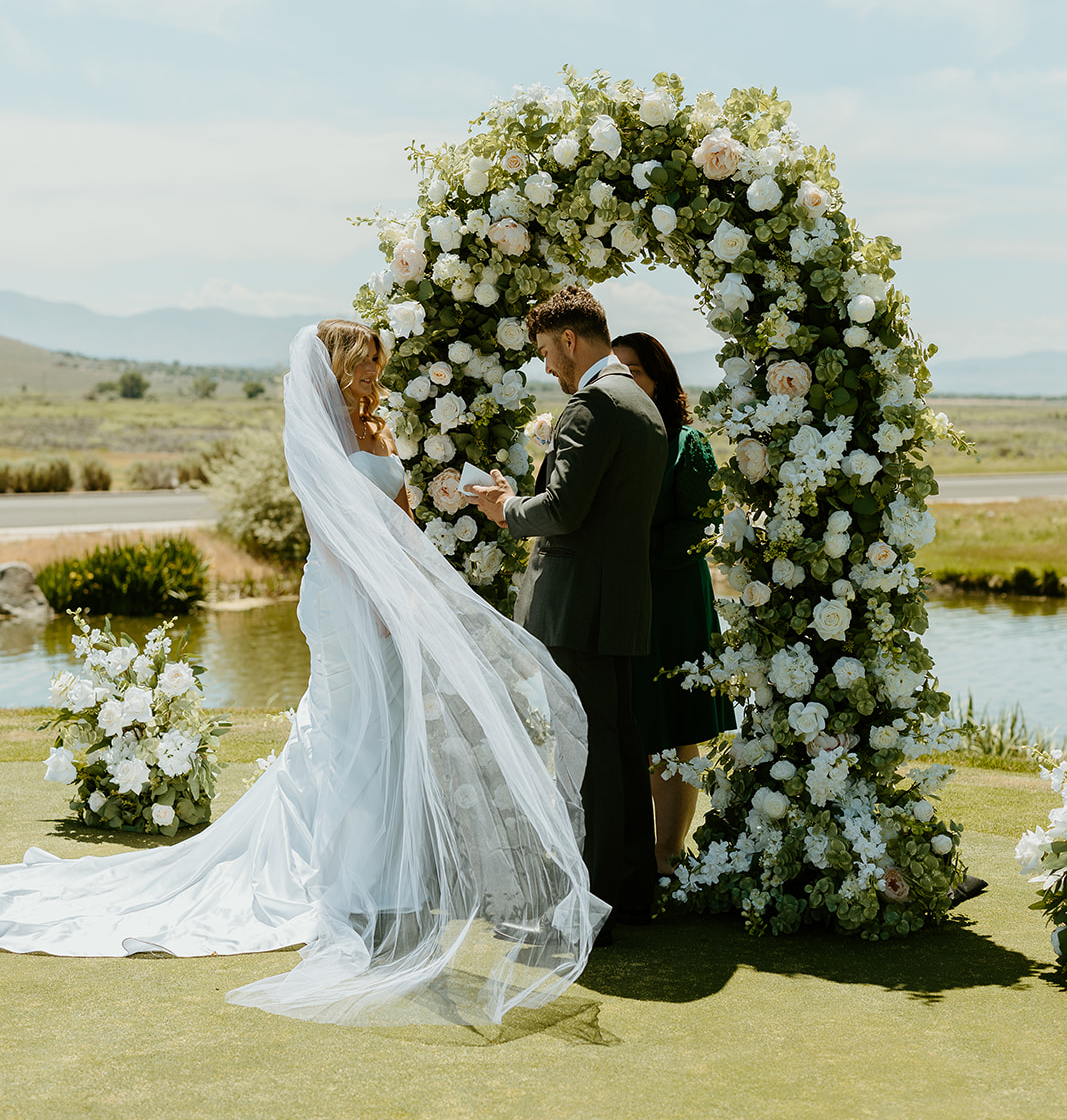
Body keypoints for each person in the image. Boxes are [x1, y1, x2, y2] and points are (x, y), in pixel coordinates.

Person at [0, 322, 608, 1029]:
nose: (370, 379)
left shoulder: (377, 430)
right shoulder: (313, 434)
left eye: (377, 366)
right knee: (351, 729)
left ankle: (381, 868)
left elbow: (398, 518)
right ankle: (350, 877)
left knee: (386, 730)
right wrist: (383, 604)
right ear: (334, 368)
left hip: (388, 595)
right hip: (343, 599)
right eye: (361, 367)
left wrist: (418, 587)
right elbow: (334, 533)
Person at [471, 286, 667, 943]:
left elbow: (562, 511)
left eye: (545, 353)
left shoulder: (592, 404)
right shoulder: (638, 402)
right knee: (614, 752)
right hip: (616, 605)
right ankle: (628, 895)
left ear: (570, 341)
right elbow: (592, 503)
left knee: (584, 760)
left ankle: (586, 910)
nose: (546, 368)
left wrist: (506, 510)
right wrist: (526, 497)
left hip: (578, 608)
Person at [611, 332, 735, 877]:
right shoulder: (609, 438)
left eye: (633, 370)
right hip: (623, 599)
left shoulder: (688, 445)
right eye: (615, 372)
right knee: (633, 726)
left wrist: (638, 551)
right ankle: (633, 852)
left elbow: (702, 525)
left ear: (659, 378)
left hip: (676, 598)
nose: (624, 381)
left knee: (678, 731)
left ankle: (668, 853)